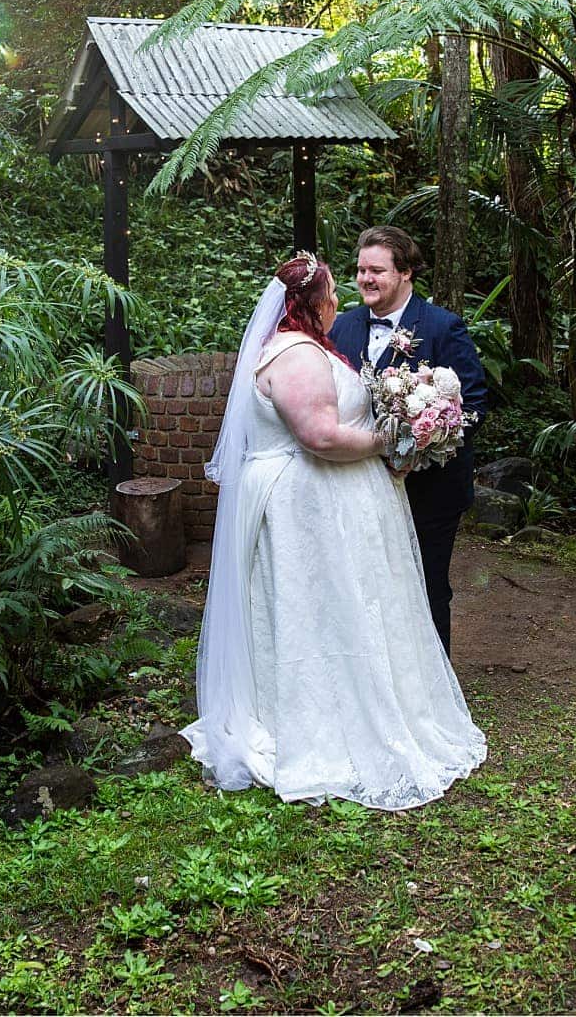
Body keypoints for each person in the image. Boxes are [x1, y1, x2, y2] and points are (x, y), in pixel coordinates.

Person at [181, 253, 486, 810]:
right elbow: (319, 436)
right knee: (312, 610)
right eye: (330, 292)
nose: (340, 300)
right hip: (304, 510)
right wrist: (386, 440)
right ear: (309, 302)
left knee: (348, 606)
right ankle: (324, 722)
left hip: (331, 506)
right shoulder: (297, 354)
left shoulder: (314, 344)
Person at [328, 225, 488, 655]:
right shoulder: (342, 327)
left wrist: (421, 447)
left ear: (405, 274)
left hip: (429, 490)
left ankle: (435, 687)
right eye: (361, 270)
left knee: (426, 583)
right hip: (359, 486)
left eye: (376, 270)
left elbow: (473, 404)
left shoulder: (442, 328)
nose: (365, 279)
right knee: (368, 585)